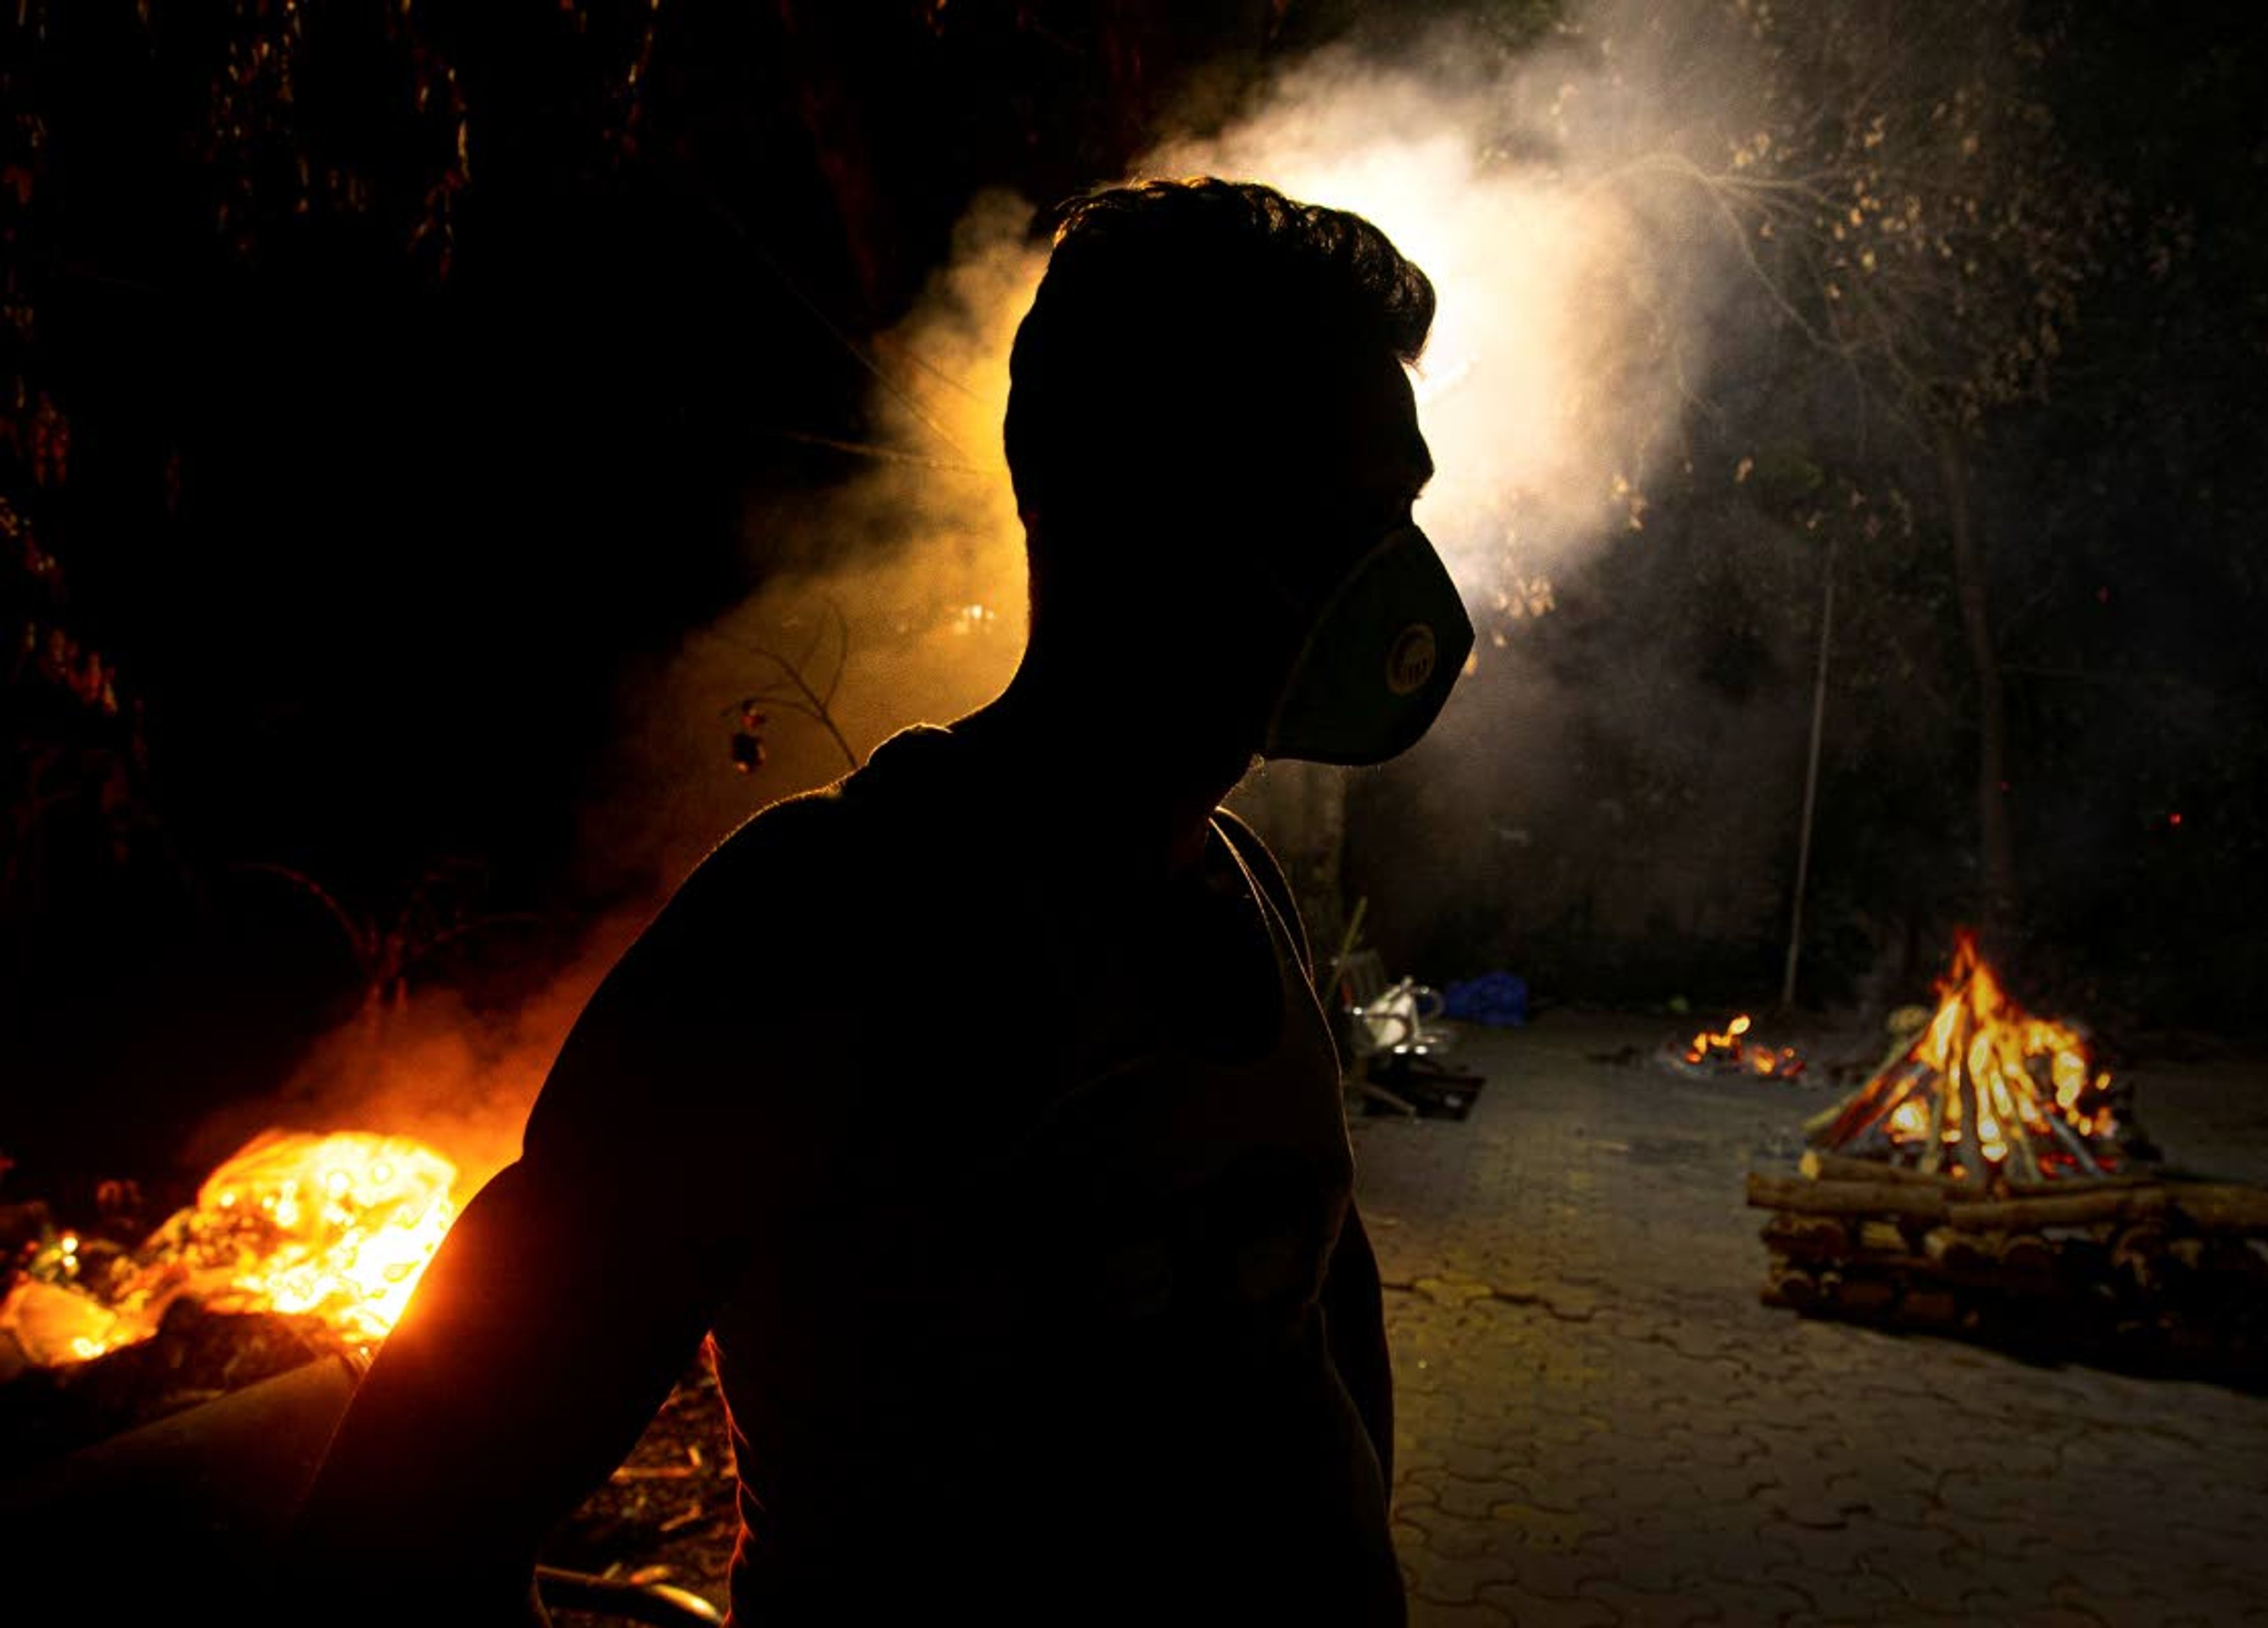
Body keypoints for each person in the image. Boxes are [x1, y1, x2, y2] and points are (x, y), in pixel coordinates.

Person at [291, 176, 1474, 1626]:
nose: (1398, 577)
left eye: (1395, 508)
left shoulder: (1244, 892)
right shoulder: (817, 933)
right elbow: (401, 1521)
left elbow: (1313, 1304)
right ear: (1158, 494)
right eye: (1347, 505)